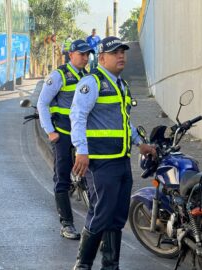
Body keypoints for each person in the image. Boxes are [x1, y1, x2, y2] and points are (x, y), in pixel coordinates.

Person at [70, 36, 156, 269]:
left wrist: (140, 143)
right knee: (101, 214)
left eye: (123, 52)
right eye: (115, 52)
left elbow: (124, 122)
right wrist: (81, 151)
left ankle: (110, 265)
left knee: (117, 217)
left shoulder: (121, 85)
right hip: (100, 162)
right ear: (102, 58)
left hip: (121, 160)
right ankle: (83, 265)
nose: (121, 55)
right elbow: (77, 117)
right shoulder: (92, 82)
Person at [37, 40, 94, 240]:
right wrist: (50, 132)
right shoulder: (59, 75)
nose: (85, 58)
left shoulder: (89, 78)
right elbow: (42, 103)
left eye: (88, 54)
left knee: (93, 176)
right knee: (61, 178)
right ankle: (67, 224)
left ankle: (96, 224)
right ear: (71, 55)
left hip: (84, 136)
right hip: (63, 134)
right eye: (81, 54)